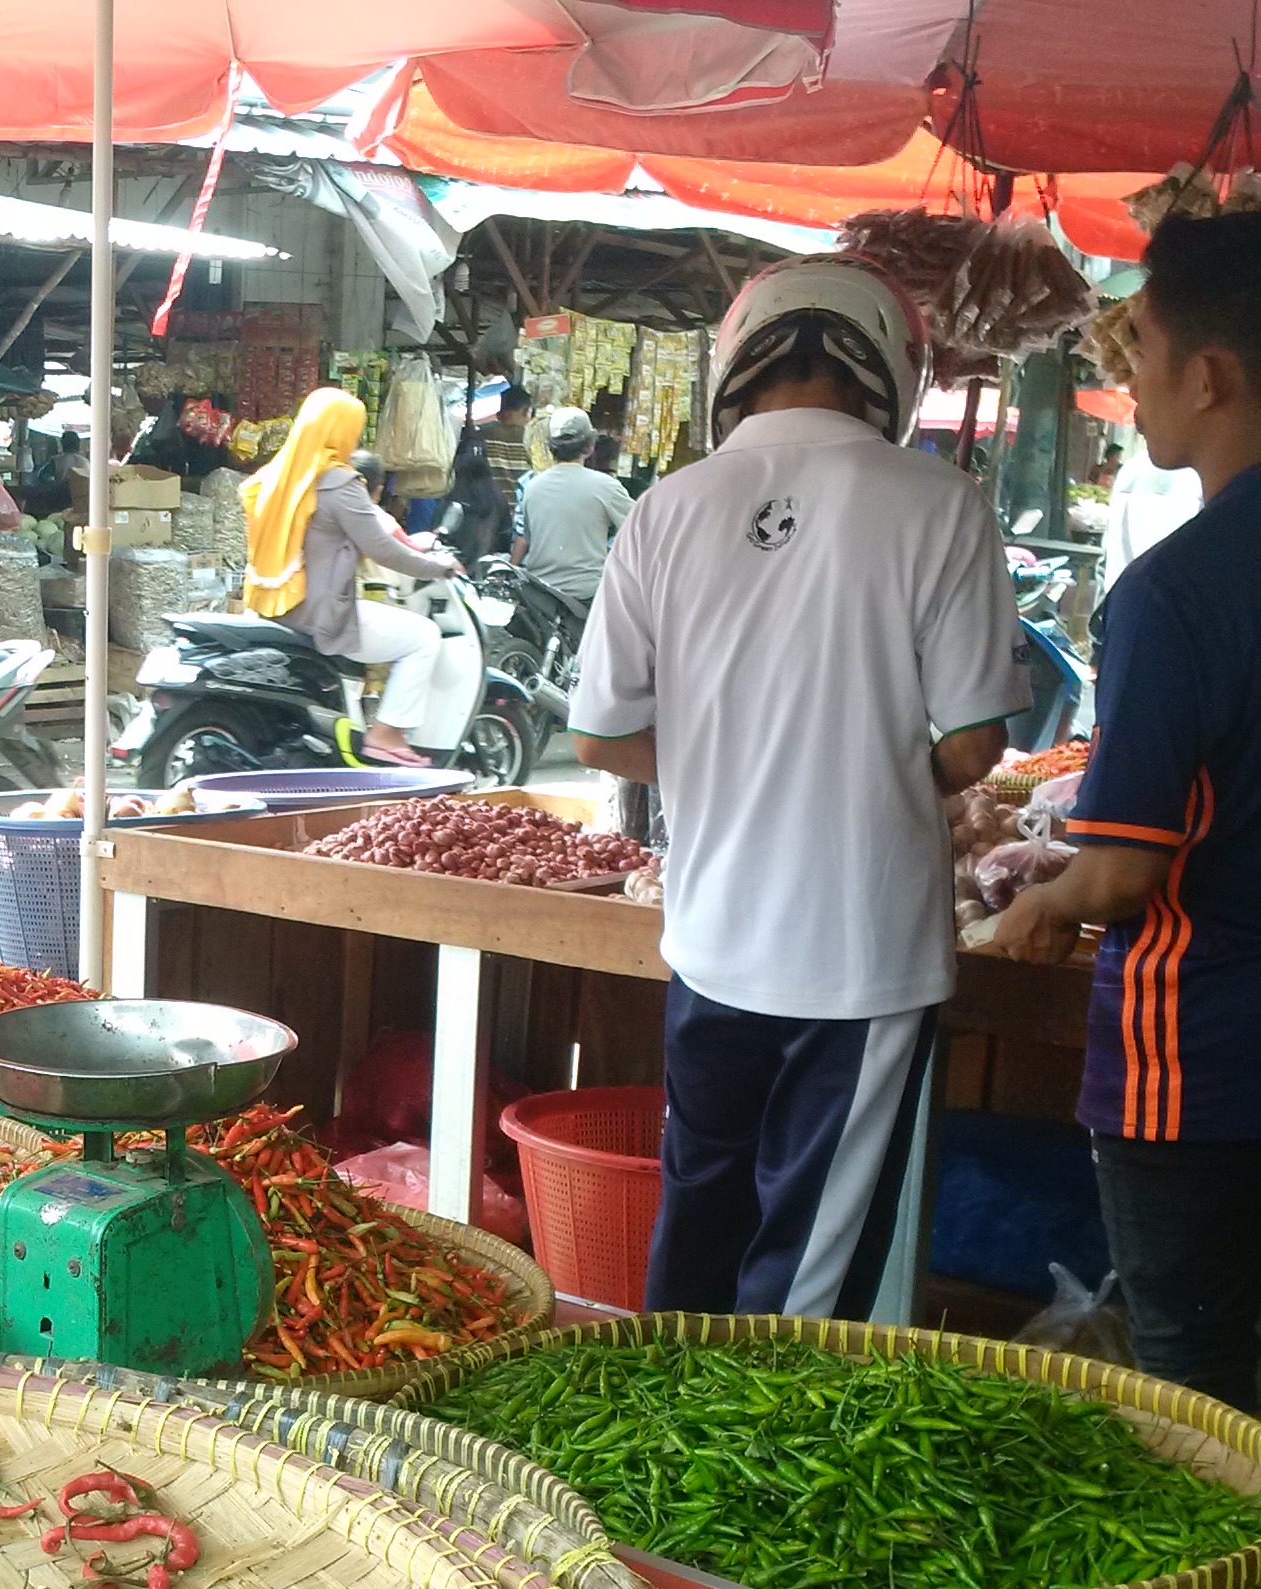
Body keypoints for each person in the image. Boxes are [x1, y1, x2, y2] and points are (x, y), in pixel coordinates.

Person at [571, 257, 1027, 1319]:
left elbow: (599, 738)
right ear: (893, 371)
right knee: (809, 1272)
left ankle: (655, 1445)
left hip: (711, 939)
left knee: (700, 1212)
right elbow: (973, 745)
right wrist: (859, 773)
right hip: (859, 957)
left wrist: (718, 766)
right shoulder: (941, 503)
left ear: (739, 360)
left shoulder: (665, 507)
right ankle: (757, 1481)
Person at [993, 216, 1261, 1410]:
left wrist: (1036, 910)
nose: (1127, 378)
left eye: (1141, 347)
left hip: (1200, 1060)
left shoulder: (1181, 590)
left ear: (1212, 376)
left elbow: (1116, 876)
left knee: (1196, 1390)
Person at [242, 386, 459, 766]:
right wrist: (438, 567)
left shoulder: (278, 476)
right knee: (423, 637)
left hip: (276, 604)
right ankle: (386, 734)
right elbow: (382, 548)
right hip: (321, 611)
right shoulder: (339, 483)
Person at [512, 406, 633, 614]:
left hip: (539, 592)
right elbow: (641, 528)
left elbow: (526, 538)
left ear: (551, 447)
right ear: (590, 447)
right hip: (587, 594)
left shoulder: (533, 487)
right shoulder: (606, 487)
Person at [1097, 431, 1204, 605]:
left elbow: (1107, 555)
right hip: (1173, 614)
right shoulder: (1206, 475)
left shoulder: (1130, 469)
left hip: (1125, 608)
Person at [437, 436, 512, 560]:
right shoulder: (498, 496)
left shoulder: (450, 495)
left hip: (451, 567)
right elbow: (505, 540)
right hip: (486, 568)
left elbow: (438, 535)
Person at [483, 382, 534, 497]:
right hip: (518, 510)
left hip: (489, 507)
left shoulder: (482, 434)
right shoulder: (531, 440)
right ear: (526, 412)